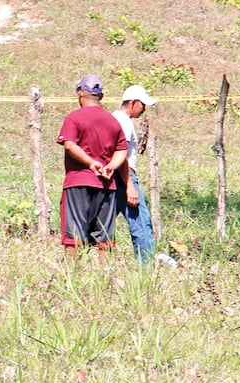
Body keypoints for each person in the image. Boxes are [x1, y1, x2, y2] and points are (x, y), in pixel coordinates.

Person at [56, 74, 127, 254]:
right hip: (106, 185)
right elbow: (122, 149)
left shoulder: (74, 118)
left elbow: (70, 144)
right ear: (101, 96)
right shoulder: (113, 121)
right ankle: (103, 277)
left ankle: (72, 277)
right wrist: (111, 166)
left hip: (78, 183)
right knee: (104, 239)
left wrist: (90, 162)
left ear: (80, 94)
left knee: (73, 237)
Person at [113, 85, 177, 267]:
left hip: (114, 177)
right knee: (141, 222)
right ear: (133, 103)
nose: (144, 109)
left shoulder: (113, 118)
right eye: (142, 105)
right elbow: (121, 154)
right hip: (125, 176)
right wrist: (129, 186)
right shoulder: (124, 122)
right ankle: (146, 268)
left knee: (105, 222)